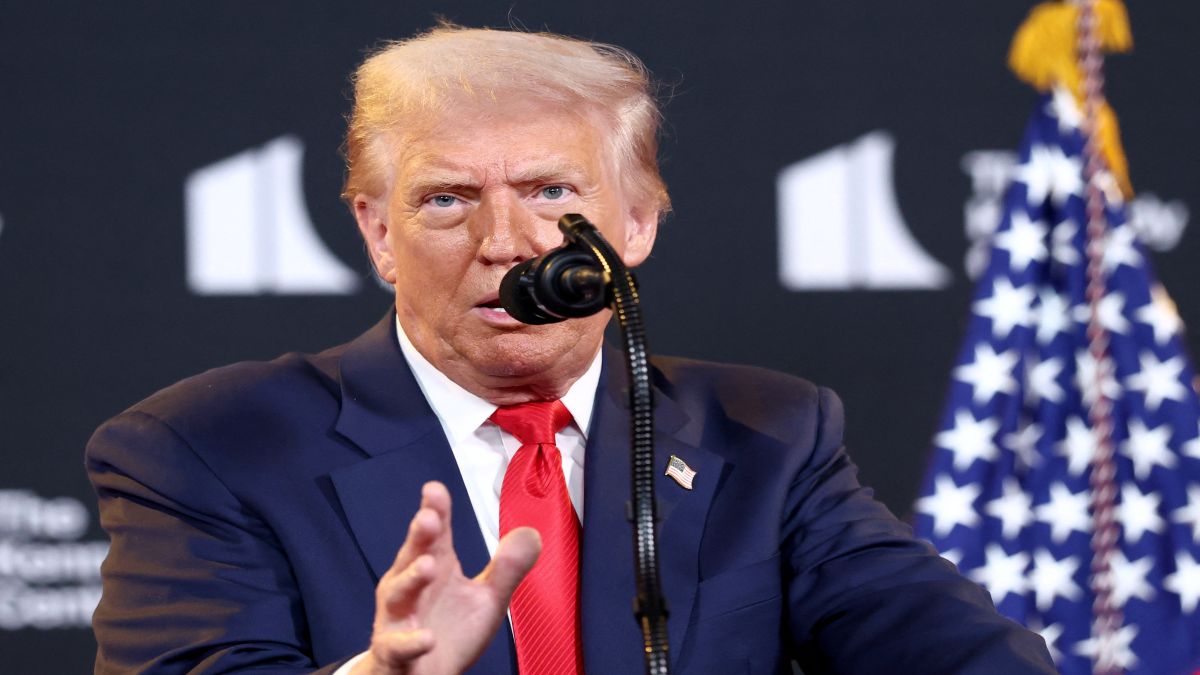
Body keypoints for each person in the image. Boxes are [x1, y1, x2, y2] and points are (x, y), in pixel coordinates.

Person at [86, 25, 1056, 674]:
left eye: (554, 193)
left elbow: (971, 661)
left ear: (635, 223)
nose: (507, 242)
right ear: (378, 233)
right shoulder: (209, 448)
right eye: (447, 199)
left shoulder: (771, 436)